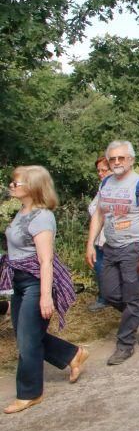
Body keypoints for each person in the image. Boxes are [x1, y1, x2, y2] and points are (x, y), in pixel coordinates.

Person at [0, 166, 85, 414]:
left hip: (35, 282)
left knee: (27, 341)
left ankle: (29, 393)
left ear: (33, 186)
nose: (12, 186)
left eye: (17, 183)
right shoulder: (21, 212)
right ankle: (73, 354)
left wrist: (46, 296)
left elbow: (45, 260)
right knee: (27, 334)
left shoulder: (42, 217)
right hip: (19, 281)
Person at [85, 140, 139, 365]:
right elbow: (99, 215)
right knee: (109, 294)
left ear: (131, 160)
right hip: (110, 247)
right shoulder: (106, 183)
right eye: (112, 159)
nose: (117, 162)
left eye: (121, 158)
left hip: (133, 247)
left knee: (132, 297)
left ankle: (125, 345)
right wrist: (90, 243)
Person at [87, 154, 112, 312]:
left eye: (104, 170)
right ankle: (104, 297)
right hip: (99, 236)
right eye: (99, 170)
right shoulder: (102, 187)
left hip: (111, 237)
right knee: (99, 266)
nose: (100, 173)